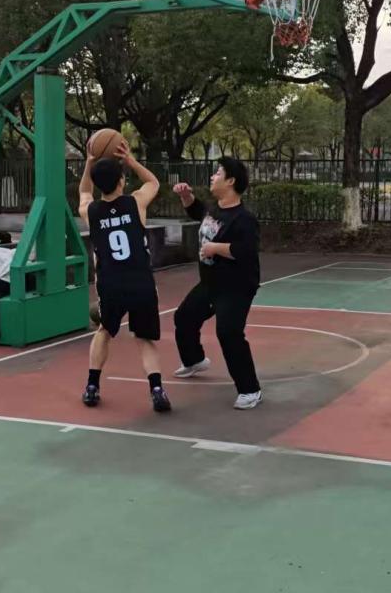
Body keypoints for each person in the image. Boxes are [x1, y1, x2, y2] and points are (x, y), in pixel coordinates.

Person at [79, 145, 171, 413]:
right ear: (121, 181)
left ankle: (92, 386)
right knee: (144, 339)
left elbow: (84, 192)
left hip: (111, 283)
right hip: (140, 281)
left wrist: (89, 163)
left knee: (104, 332)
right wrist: (130, 160)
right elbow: (153, 182)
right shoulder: (135, 203)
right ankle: (157, 390)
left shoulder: (91, 211)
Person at [171, 157, 263, 409]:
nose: (212, 177)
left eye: (218, 173)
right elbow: (197, 212)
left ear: (230, 181)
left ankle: (250, 390)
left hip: (236, 287)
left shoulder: (244, 219)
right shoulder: (214, 208)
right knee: (184, 317)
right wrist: (186, 196)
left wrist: (215, 248)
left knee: (229, 333)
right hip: (210, 283)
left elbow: (246, 251)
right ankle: (194, 360)